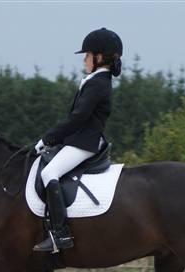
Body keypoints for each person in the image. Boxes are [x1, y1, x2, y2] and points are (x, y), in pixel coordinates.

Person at [33, 27, 123, 253]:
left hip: (85, 143)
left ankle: (60, 235)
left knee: (48, 173)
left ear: (99, 57)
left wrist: (48, 138)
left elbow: (78, 117)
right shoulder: (95, 80)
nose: (84, 59)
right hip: (80, 140)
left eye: (88, 54)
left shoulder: (98, 83)